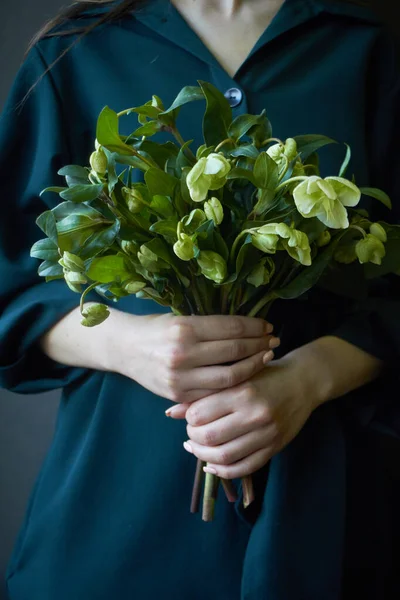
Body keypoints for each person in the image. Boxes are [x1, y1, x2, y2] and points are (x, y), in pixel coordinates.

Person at [0, 0, 399, 598]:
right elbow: (9, 283)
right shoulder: (77, 49)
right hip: (117, 515)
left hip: (333, 517)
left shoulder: (366, 48)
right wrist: (125, 343)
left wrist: (309, 378)